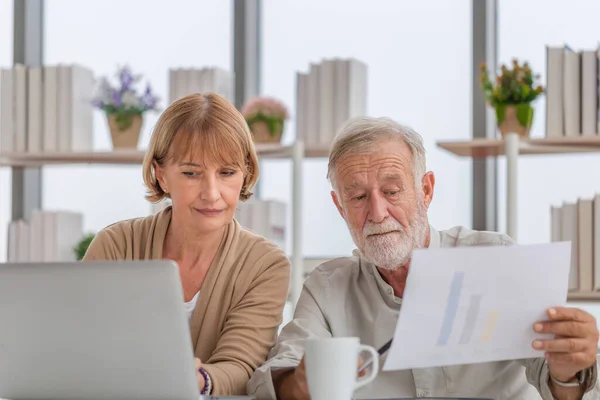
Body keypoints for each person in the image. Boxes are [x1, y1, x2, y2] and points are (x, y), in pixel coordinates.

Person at [247, 116, 600, 400]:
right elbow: (278, 373)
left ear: (426, 190)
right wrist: (300, 385)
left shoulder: (493, 259)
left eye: (392, 191)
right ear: (340, 206)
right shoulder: (327, 288)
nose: (378, 212)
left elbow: (557, 382)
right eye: (357, 197)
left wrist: (570, 366)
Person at [83, 93, 291, 396]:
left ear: (245, 173)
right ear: (161, 174)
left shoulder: (265, 265)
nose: (211, 193)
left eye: (227, 173)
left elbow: (242, 366)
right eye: (191, 173)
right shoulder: (115, 247)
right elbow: (81, 347)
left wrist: (198, 380)